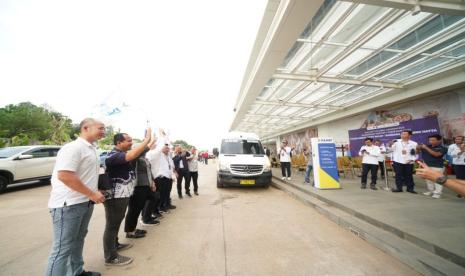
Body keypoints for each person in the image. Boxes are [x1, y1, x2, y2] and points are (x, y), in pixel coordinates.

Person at [46, 118, 105, 276]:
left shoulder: (91, 148)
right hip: (68, 205)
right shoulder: (73, 148)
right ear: (85, 128)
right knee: (62, 249)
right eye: (100, 128)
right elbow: (64, 175)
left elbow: (86, 175)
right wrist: (92, 193)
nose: (103, 131)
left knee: (78, 240)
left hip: (84, 202)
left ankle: (76, 272)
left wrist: (94, 191)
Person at [103, 128, 152, 266]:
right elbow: (132, 155)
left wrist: (149, 140)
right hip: (115, 196)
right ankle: (111, 257)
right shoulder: (113, 155)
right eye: (128, 140)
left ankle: (115, 244)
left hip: (123, 194)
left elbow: (141, 150)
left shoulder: (122, 153)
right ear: (119, 142)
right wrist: (146, 139)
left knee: (116, 223)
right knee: (112, 225)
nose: (131, 143)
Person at [124, 139, 160, 241]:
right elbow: (140, 152)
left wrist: (152, 182)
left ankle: (145, 218)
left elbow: (149, 171)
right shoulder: (134, 157)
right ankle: (130, 231)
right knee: (134, 210)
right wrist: (149, 142)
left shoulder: (144, 158)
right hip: (138, 187)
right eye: (140, 148)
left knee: (154, 197)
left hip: (146, 185)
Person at [146, 142, 177, 213]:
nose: (168, 149)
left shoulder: (168, 156)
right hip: (160, 178)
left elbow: (171, 165)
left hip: (168, 177)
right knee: (160, 194)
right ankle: (159, 208)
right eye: (166, 148)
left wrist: (174, 172)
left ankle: (165, 205)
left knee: (167, 192)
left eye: (168, 147)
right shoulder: (158, 155)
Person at [418, 134, 447, 199]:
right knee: (428, 180)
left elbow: (436, 154)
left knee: (437, 180)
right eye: (430, 140)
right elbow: (417, 151)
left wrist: (426, 148)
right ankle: (430, 191)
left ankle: (437, 193)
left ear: (439, 140)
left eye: (433, 140)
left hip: (437, 166)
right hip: (426, 166)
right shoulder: (427, 146)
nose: (431, 141)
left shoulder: (443, 148)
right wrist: (418, 147)